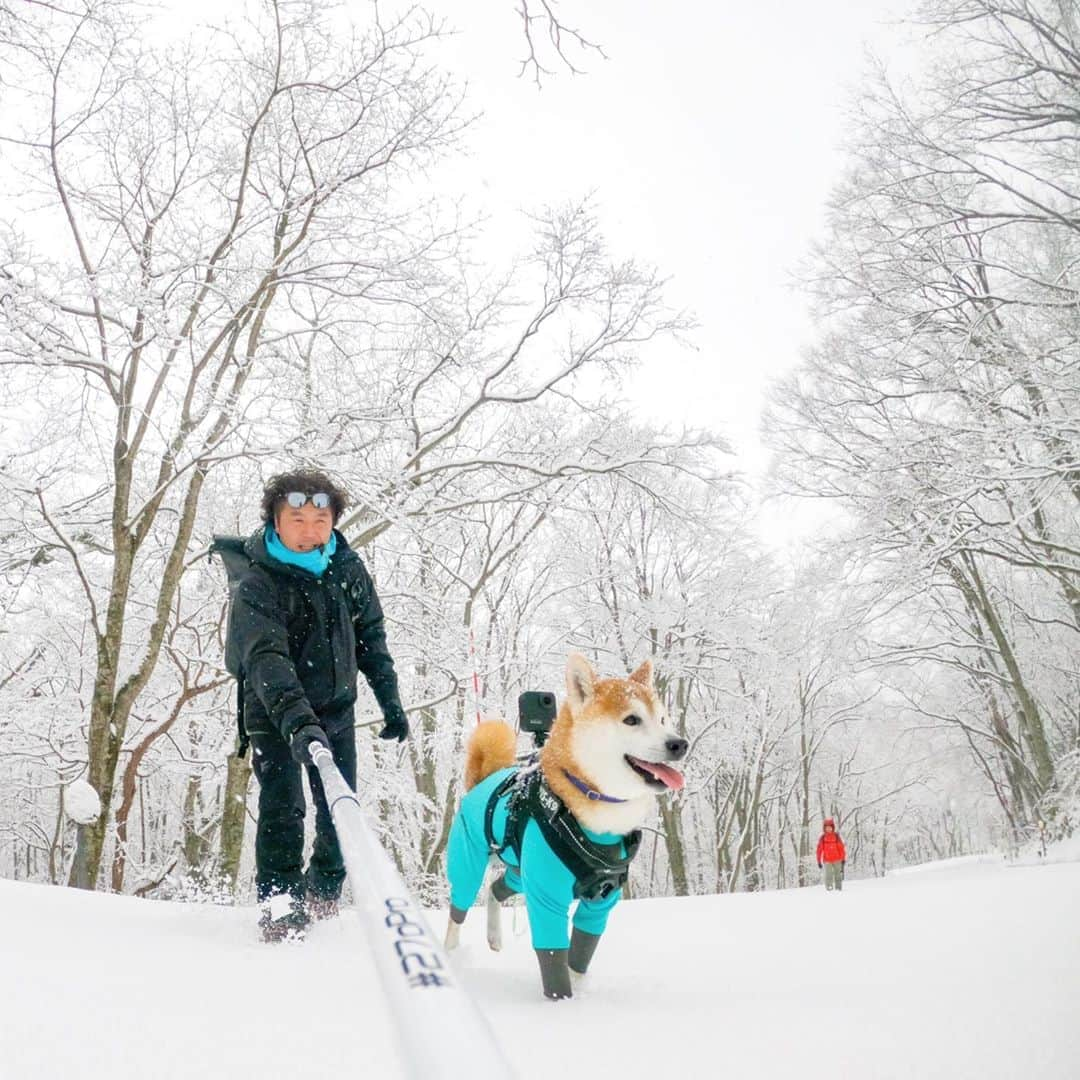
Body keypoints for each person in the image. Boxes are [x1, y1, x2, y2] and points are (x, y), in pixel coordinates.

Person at [229, 468, 409, 941]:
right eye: (297, 519)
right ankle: (281, 908)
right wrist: (298, 725)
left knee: (338, 803)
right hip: (273, 713)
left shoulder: (346, 568)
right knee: (284, 807)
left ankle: (324, 893)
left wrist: (389, 700)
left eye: (321, 519)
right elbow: (267, 661)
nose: (310, 531)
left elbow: (371, 634)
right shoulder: (257, 584)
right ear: (275, 519)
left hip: (335, 708)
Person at [816, 817, 846, 891]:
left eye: (830, 827)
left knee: (838, 875)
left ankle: (838, 889)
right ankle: (829, 889)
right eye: (827, 827)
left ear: (833, 827)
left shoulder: (836, 836)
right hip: (827, 860)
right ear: (824, 828)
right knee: (828, 875)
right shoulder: (823, 838)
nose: (828, 829)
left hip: (837, 859)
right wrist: (819, 861)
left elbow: (841, 848)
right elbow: (819, 850)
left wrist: (843, 859)